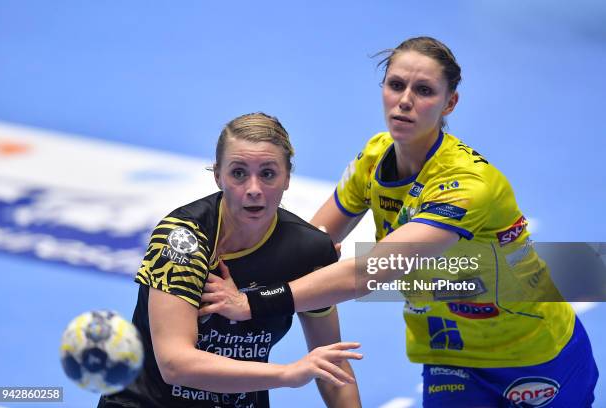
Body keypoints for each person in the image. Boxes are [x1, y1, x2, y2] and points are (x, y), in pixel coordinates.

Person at [198, 37, 599, 407]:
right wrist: (222, 269)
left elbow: (372, 271)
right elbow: (309, 246)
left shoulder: (469, 185)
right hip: (449, 356)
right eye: (396, 85)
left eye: (423, 91)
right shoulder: (374, 157)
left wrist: (251, 303)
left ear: (450, 103)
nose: (404, 101)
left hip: (536, 352)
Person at [98, 113, 362, 408]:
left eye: (268, 173)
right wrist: (288, 373)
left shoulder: (310, 251)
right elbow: (175, 364)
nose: (253, 188)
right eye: (238, 173)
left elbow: (330, 363)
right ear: (217, 176)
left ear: (287, 178)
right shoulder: (183, 239)